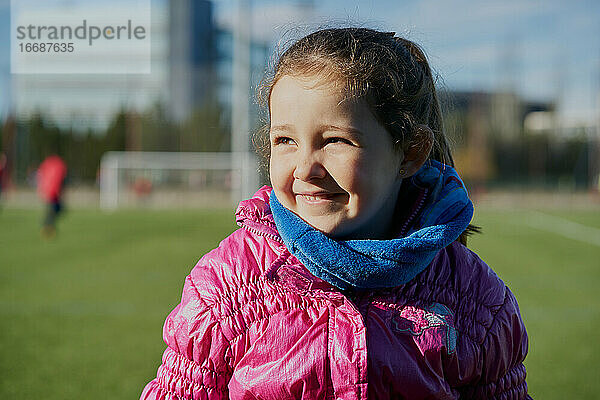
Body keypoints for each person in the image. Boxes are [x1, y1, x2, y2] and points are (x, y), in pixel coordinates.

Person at [141, 28, 530, 399]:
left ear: (410, 152)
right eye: (285, 140)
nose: (305, 169)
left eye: (335, 141)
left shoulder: (474, 299)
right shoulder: (228, 285)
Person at [37, 154, 67, 238]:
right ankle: (47, 227)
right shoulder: (57, 167)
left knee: (54, 210)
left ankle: (47, 226)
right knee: (52, 210)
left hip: (51, 191)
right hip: (52, 192)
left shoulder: (51, 166)